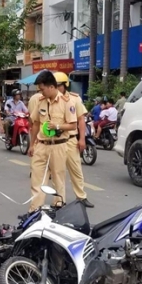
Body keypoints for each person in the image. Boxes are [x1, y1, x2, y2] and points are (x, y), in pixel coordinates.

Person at [28, 71, 78, 212]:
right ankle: (35, 209)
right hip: (41, 145)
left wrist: (57, 126)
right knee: (36, 178)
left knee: (58, 177)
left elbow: (73, 125)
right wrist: (32, 145)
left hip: (59, 145)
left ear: (51, 87)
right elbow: (36, 123)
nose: (41, 92)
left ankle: (59, 205)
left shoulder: (68, 102)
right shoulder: (40, 101)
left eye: (42, 89)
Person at [54, 71, 94, 208]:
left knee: (76, 170)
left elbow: (81, 120)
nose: (56, 88)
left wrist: (82, 139)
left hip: (70, 140)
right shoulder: (50, 100)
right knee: (57, 172)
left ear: (65, 85)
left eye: (58, 85)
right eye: (54, 85)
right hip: (56, 141)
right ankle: (59, 200)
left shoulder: (74, 99)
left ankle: (81, 197)